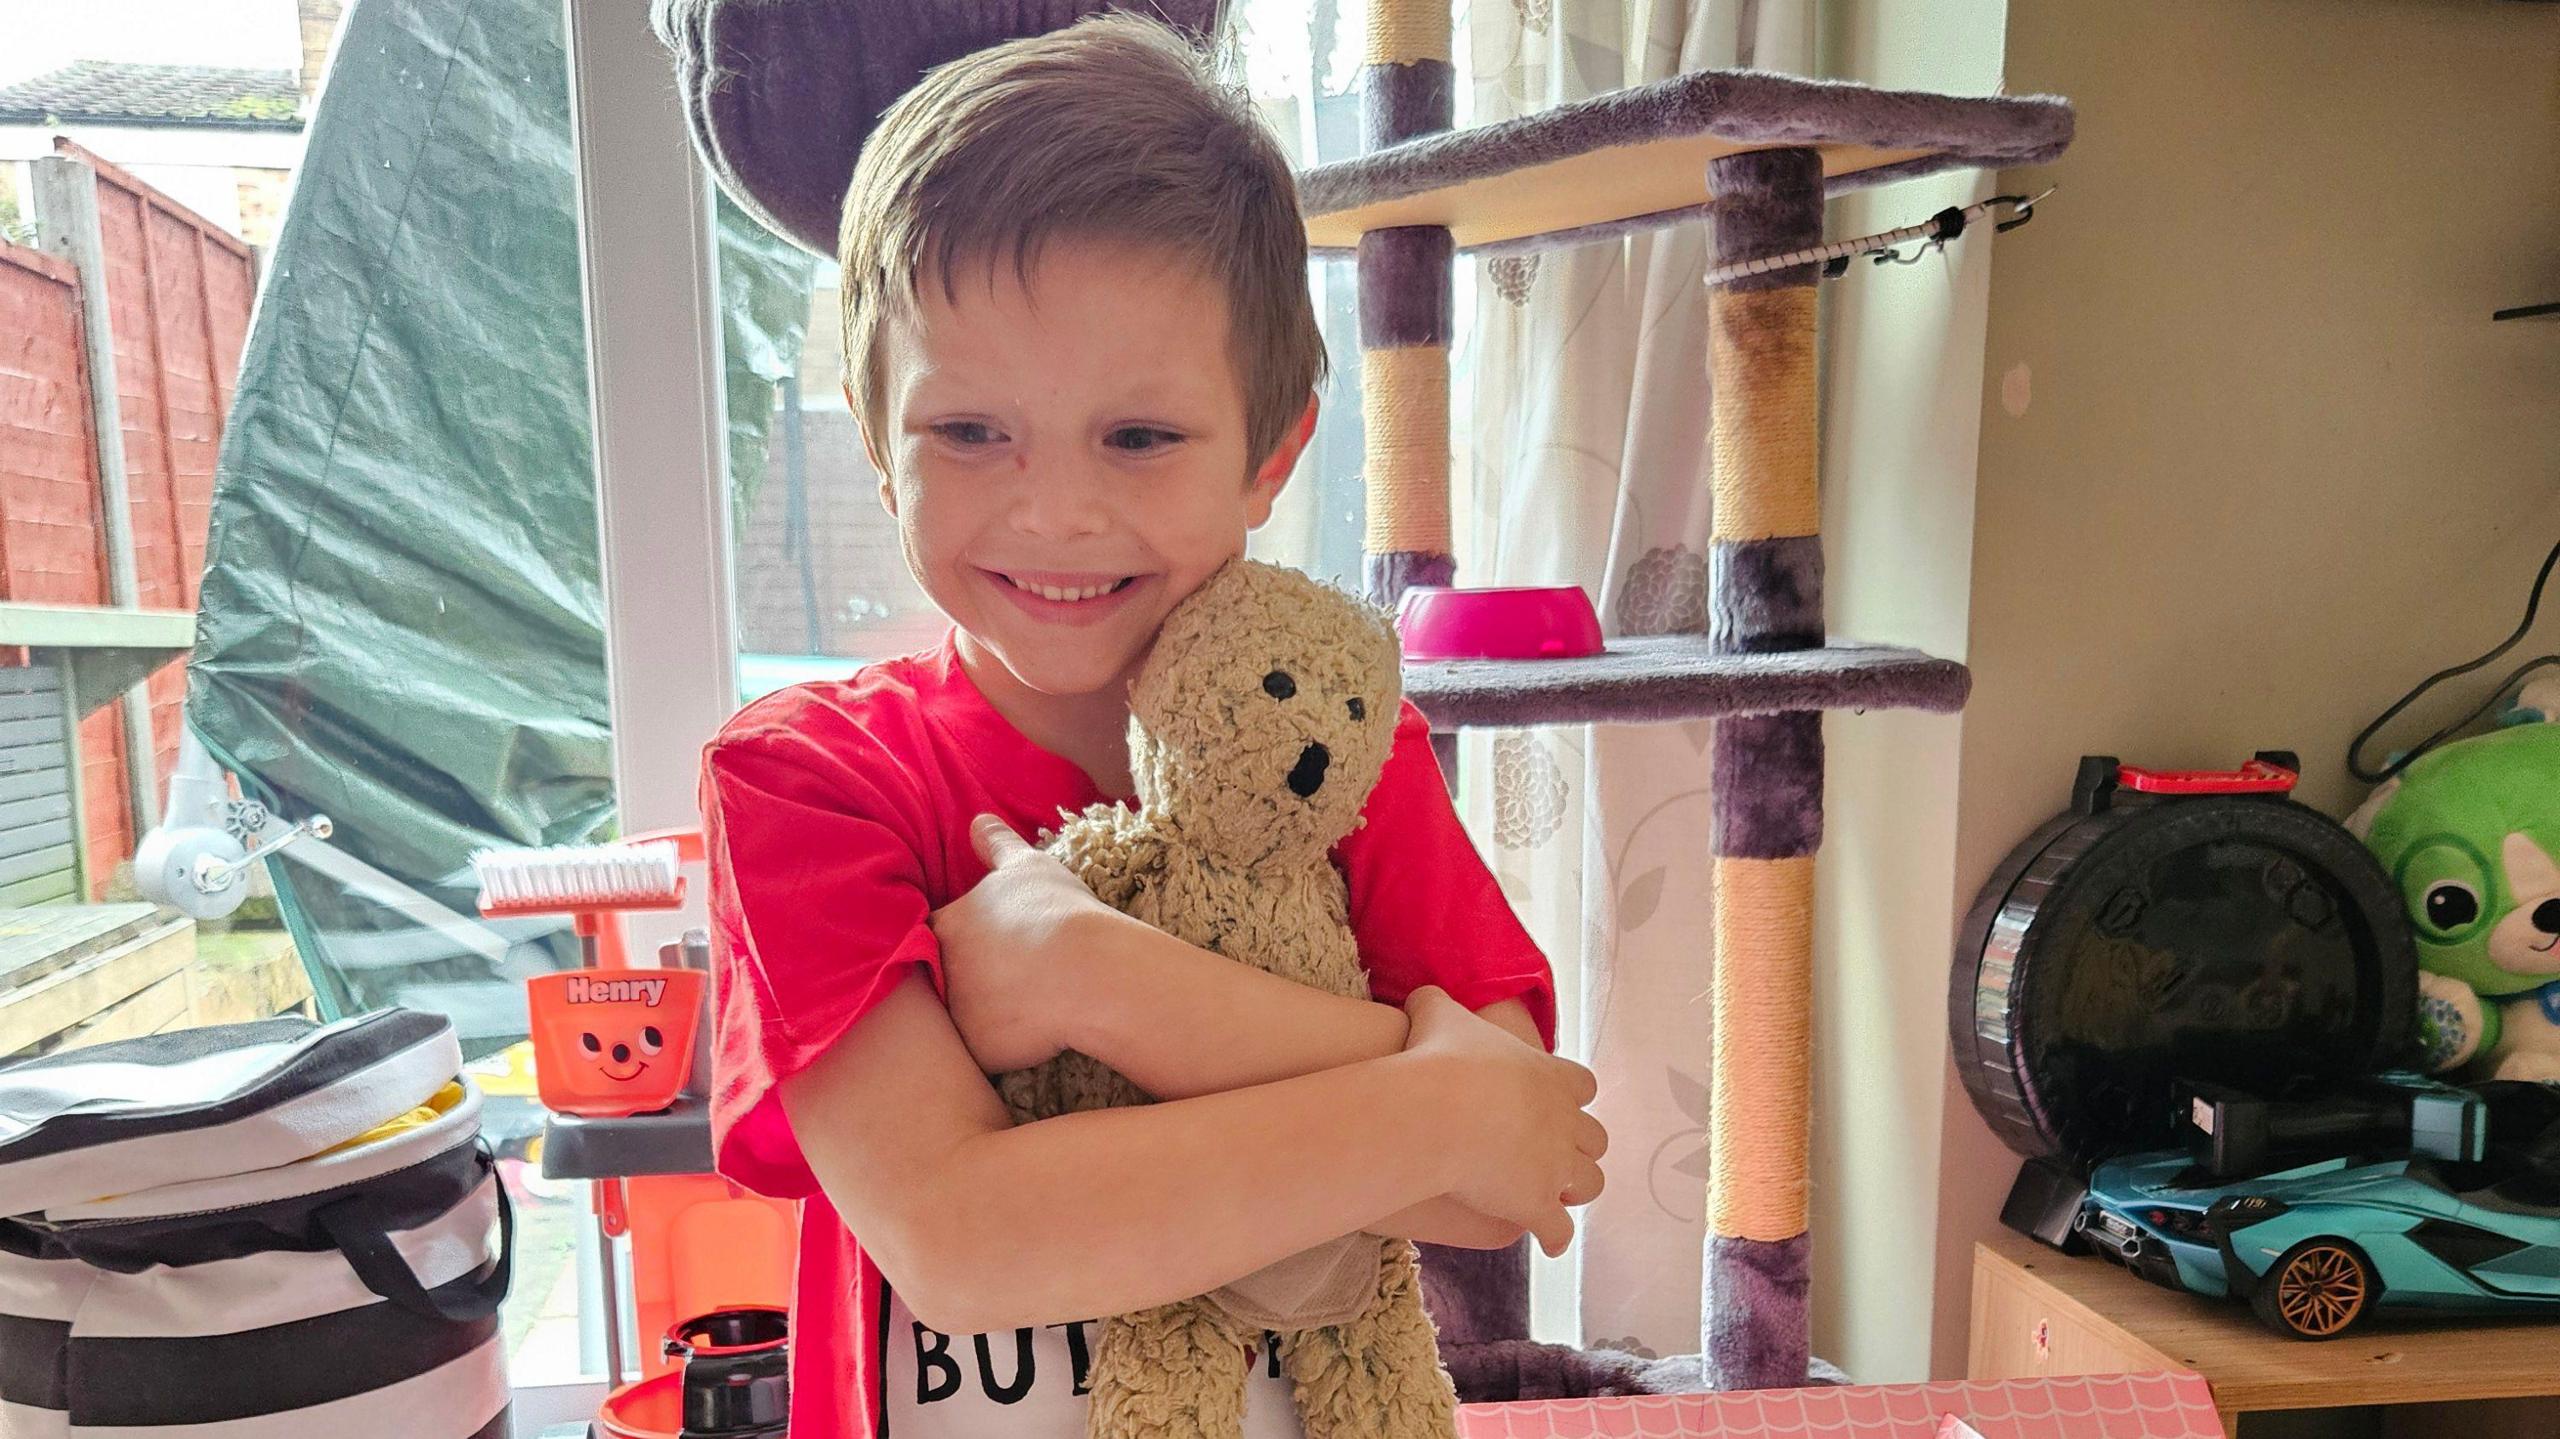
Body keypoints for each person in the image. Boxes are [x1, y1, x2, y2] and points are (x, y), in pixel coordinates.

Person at [697, 15, 1608, 1438]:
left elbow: (1514, 1173)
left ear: (1272, 455)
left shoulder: (1342, 744)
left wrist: (1095, 979)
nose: (1055, 510)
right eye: (969, 432)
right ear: (879, 444)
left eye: (1139, 437)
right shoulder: (809, 781)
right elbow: (966, 1243)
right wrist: (1435, 1104)